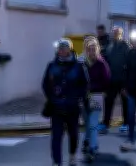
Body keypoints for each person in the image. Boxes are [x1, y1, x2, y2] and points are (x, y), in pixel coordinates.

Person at [42, 38, 89, 166]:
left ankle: (72, 155)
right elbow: (45, 84)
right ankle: (56, 161)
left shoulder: (79, 66)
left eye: (64, 48)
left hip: (72, 107)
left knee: (73, 134)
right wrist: (51, 97)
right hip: (56, 107)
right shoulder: (51, 65)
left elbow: (84, 85)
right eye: (60, 48)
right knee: (56, 136)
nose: (61, 51)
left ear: (70, 49)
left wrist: (78, 97)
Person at [81, 37, 110, 163]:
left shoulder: (101, 63)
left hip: (96, 96)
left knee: (93, 124)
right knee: (87, 123)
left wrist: (98, 89)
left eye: (94, 49)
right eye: (89, 49)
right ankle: (90, 142)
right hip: (83, 97)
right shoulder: (81, 63)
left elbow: (107, 79)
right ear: (86, 50)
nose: (92, 51)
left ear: (97, 49)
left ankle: (92, 149)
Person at [99, 27, 130, 134]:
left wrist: (126, 84)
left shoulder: (126, 46)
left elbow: (129, 64)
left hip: (122, 80)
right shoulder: (109, 46)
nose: (115, 35)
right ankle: (105, 124)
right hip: (111, 80)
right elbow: (104, 61)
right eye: (113, 33)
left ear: (121, 34)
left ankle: (126, 123)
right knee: (108, 102)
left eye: (117, 33)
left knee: (125, 102)